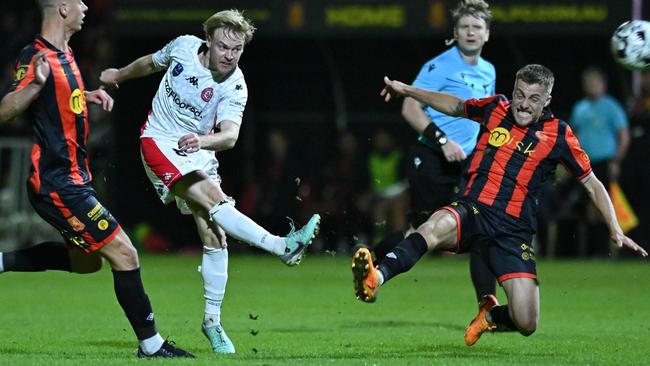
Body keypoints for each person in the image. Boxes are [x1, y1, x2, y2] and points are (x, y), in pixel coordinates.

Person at [352, 64, 647, 347]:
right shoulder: (496, 107)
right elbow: (455, 105)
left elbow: (592, 183)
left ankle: (490, 315)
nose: (523, 104)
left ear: (547, 100)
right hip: (475, 209)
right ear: (513, 91)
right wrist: (407, 89)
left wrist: (615, 227)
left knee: (527, 322)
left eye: (534, 98)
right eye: (520, 94)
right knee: (433, 227)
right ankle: (375, 278)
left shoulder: (559, 134)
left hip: (514, 232)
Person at [99, 9, 321, 354]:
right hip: (158, 140)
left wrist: (202, 142)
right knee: (214, 199)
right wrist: (119, 74)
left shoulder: (235, 85)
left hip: (198, 150)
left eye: (237, 50)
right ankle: (281, 246)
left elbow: (230, 136)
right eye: (223, 47)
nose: (229, 56)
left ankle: (212, 323)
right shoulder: (184, 48)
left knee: (214, 233)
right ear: (208, 40)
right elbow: (150, 63)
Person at [0, 0, 192, 358]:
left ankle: (1, 261)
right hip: (57, 181)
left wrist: (85, 96)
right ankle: (151, 345)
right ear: (60, 9)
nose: (86, 6)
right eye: (78, 1)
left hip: (75, 177)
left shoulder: (66, 53)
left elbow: (59, 99)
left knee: (87, 262)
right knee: (124, 252)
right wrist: (32, 87)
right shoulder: (37, 56)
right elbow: (6, 109)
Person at [368, 0, 499, 307]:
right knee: (424, 232)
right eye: (464, 27)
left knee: (480, 229)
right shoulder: (440, 65)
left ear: (487, 34)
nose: (470, 32)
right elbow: (410, 106)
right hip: (431, 159)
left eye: (476, 27)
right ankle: (374, 263)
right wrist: (442, 141)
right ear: (455, 32)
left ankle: (487, 306)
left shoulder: (488, 70)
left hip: (465, 163)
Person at [566, 67, 631, 256]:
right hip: (584, 165)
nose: (590, 85)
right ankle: (589, 252)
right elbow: (573, 135)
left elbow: (623, 135)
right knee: (587, 210)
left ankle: (607, 251)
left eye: (594, 81)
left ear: (603, 84)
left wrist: (616, 161)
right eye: (587, 82)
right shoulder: (580, 107)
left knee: (602, 207)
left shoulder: (611, 106)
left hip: (605, 162)